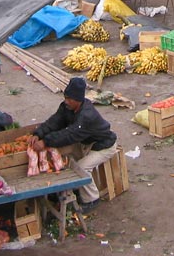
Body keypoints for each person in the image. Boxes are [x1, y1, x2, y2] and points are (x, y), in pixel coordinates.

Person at [29, 78, 117, 213]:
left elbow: (68, 134)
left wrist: (45, 142)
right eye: (66, 97)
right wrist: (38, 133)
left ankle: (91, 199)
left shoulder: (86, 116)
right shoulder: (66, 107)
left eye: (70, 99)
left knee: (81, 168)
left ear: (79, 100)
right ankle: (76, 188)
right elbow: (54, 121)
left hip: (104, 146)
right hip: (84, 142)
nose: (66, 101)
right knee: (66, 159)